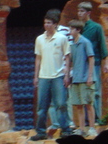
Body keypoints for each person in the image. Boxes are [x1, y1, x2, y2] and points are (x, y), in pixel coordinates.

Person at [32, 8, 72, 141]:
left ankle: (65, 130)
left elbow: (67, 56)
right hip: (44, 77)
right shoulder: (39, 39)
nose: (47, 25)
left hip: (58, 76)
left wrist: (67, 75)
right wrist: (36, 76)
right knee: (41, 107)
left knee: (61, 104)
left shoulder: (62, 38)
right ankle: (41, 132)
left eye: (49, 23)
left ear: (55, 24)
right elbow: (38, 58)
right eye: (45, 23)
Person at [77, 1, 108, 121]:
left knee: (95, 91)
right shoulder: (77, 28)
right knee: (83, 91)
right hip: (80, 64)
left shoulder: (96, 27)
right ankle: (87, 119)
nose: (79, 13)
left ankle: (97, 118)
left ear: (88, 13)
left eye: (82, 11)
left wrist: (106, 63)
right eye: (78, 11)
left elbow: (102, 46)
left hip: (94, 63)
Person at [67, 20, 97, 139]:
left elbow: (91, 58)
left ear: (78, 30)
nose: (70, 31)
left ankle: (92, 128)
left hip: (85, 78)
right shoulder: (72, 44)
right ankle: (81, 129)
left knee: (88, 104)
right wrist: (68, 75)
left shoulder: (85, 42)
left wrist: (90, 76)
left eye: (72, 29)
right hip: (76, 79)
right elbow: (71, 61)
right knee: (78, 105)